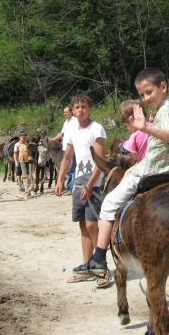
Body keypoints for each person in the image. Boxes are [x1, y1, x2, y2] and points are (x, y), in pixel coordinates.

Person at [85, 68, 169, 276]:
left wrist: (145, 128)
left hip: (151, 171)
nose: (146, 98)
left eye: (149, 92)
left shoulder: (166, 110)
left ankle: (99, 257)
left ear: (163, 87)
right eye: (142, 95)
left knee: (109, 203)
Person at [54, 95, 106, 282]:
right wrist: (60, 180)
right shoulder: (72, 131)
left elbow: (100, 160)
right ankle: (86, 266)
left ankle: (101, 265)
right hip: (77, 182)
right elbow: (67, 158)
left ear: (89, 108)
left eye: (83, 106)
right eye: (77, 107)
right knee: (83, 225)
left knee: (93, 224)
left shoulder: (97, 129)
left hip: (94, 182)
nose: (80, 110)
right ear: (73, 110)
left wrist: (91, 184)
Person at [50, 106, 78, 194]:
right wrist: (53, 139)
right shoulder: (66, 122)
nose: (64, 114)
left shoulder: (75, 121)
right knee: (67, 168)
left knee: (71, 168)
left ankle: (71, 188)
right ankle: (69, 187)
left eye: (66, 112)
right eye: (64, 112)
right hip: (65, 148)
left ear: (71, 112)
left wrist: (51, 139)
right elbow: (61, 134)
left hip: (72, 148)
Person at [119, 99, 149, 163]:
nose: (127, 128)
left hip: (144, 166)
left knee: (127, 172)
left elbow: (134, 156)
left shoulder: (134, 135)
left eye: (126, 126)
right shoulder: (152, 126)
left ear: (131, 120)